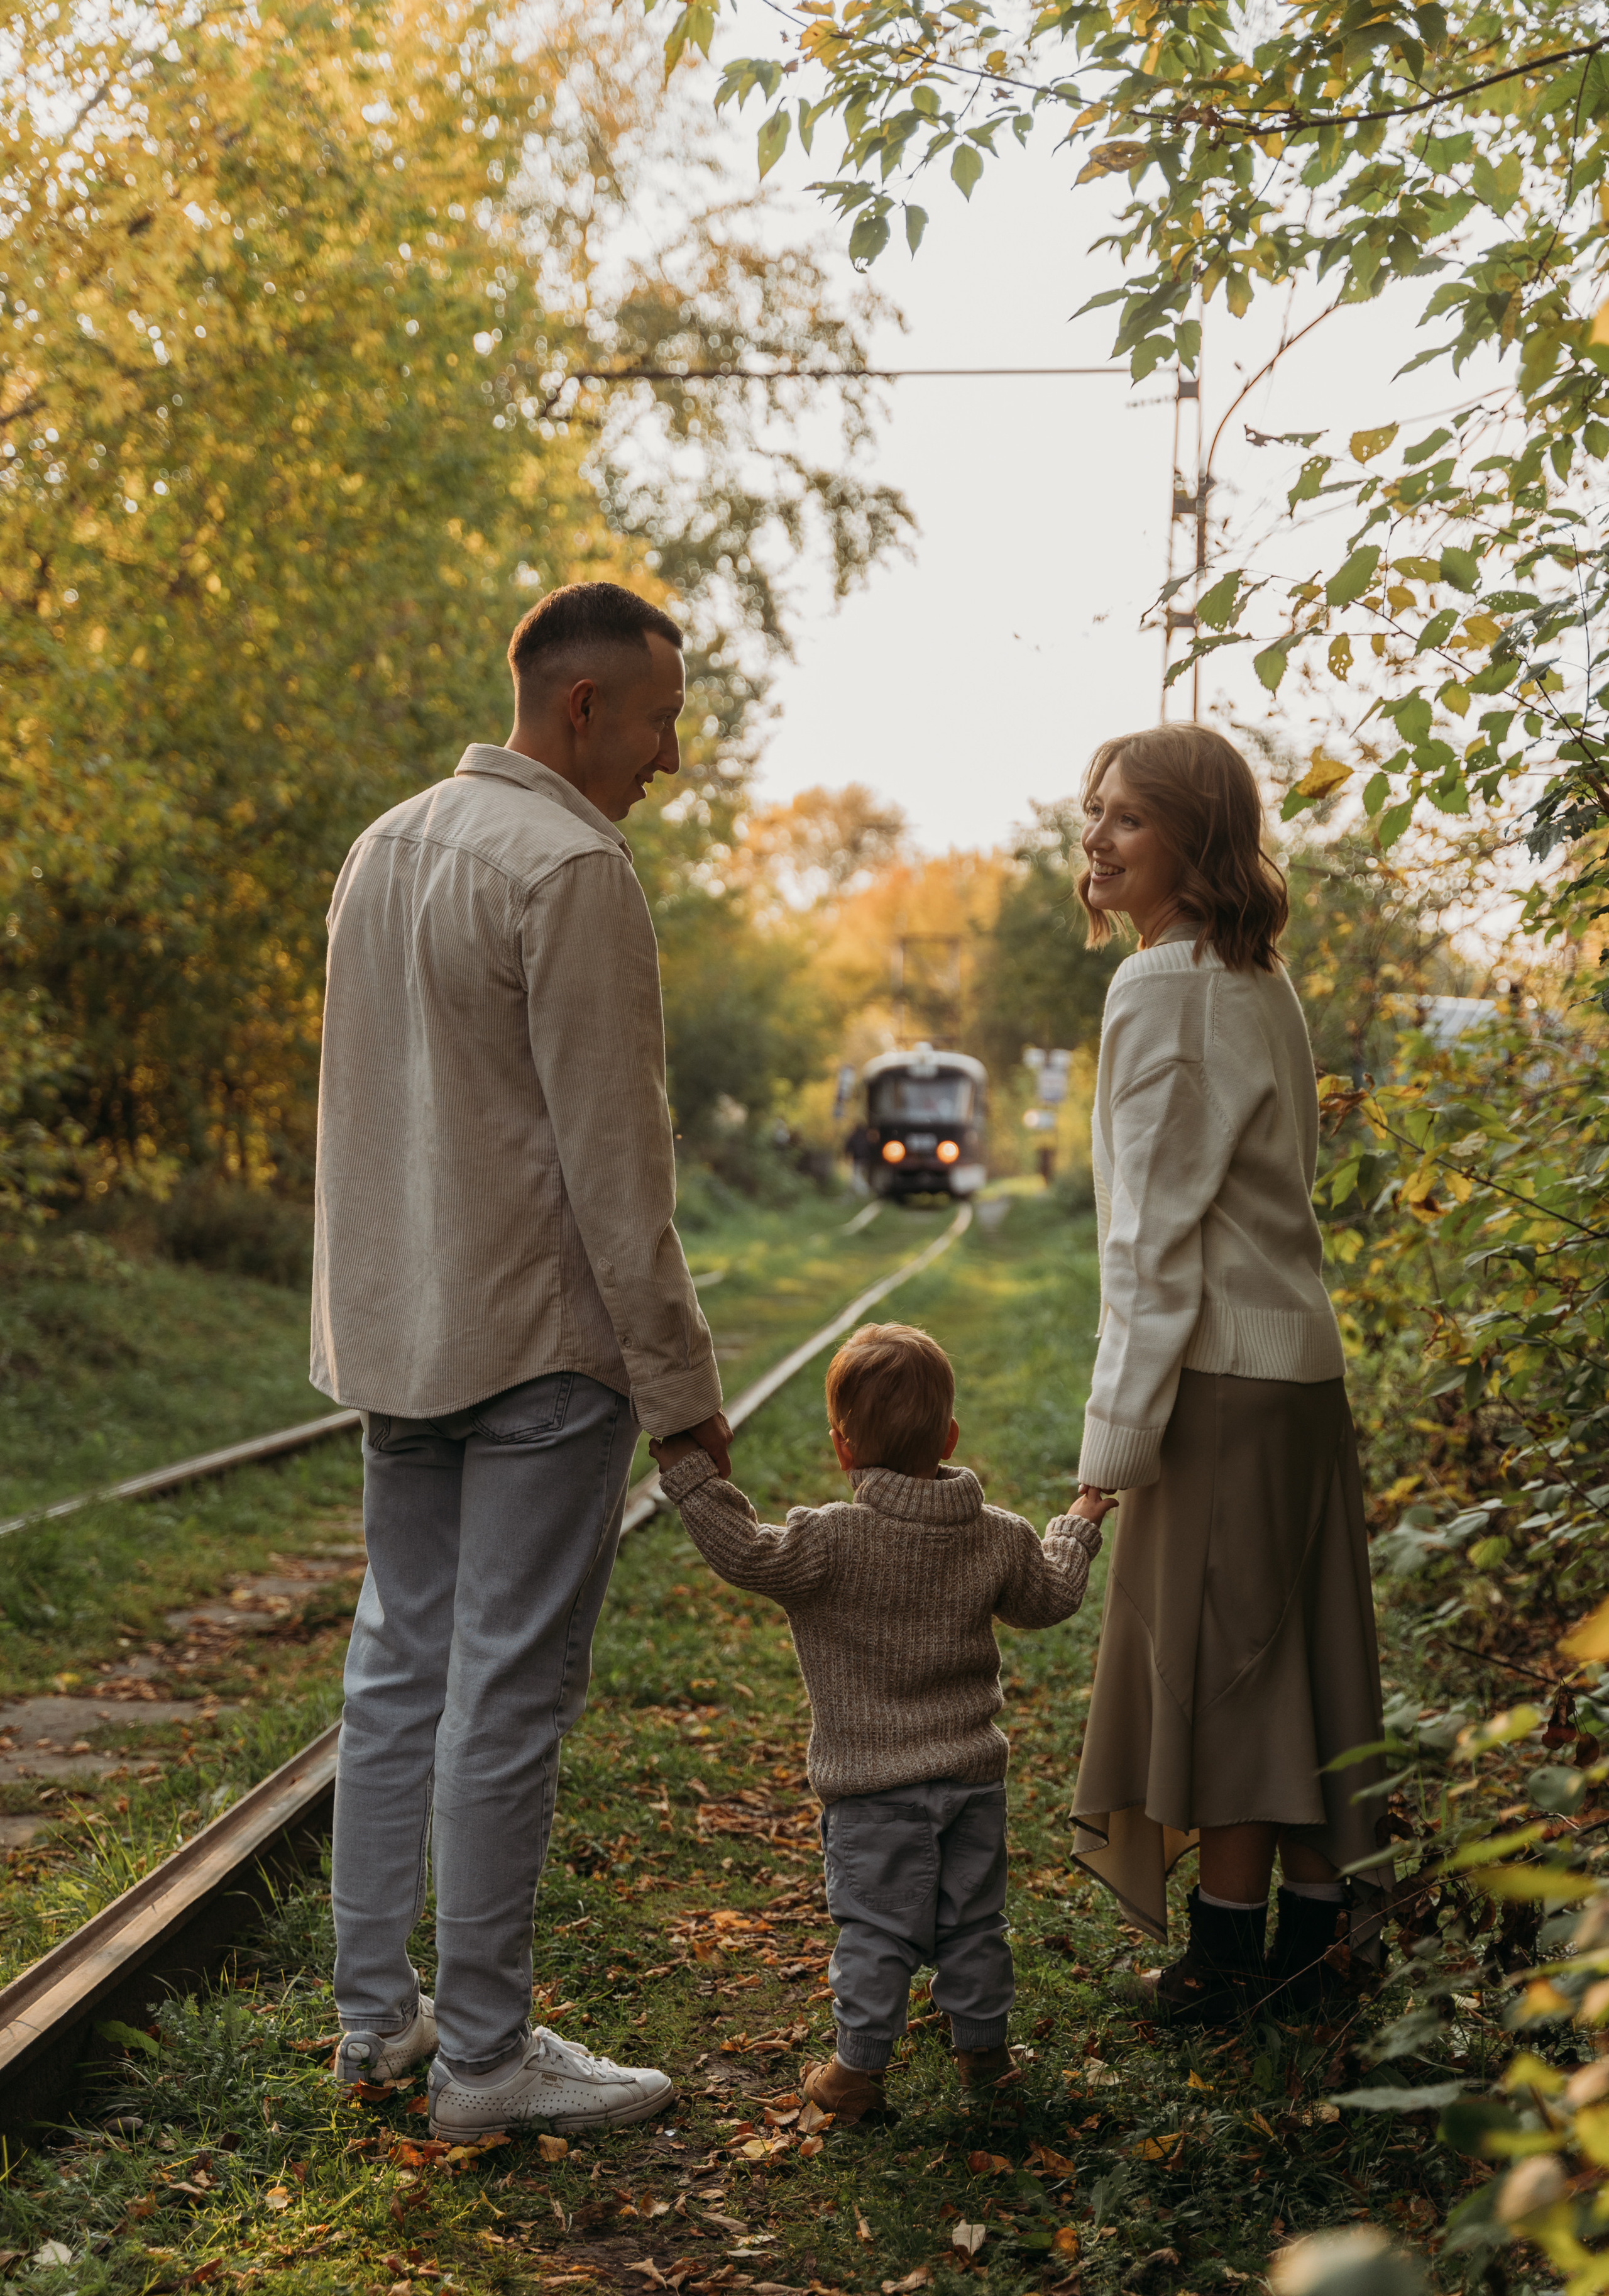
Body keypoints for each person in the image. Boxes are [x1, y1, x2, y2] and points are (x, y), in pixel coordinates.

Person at [311, 580, 732, 2142]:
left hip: (402, 1331)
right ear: (582, 707)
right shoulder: (571, 867)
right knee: (503, 1694)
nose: (668, 756)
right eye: (659, 721)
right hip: (543, 1344)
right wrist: (681, 1394)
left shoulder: (383, 847)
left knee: (395, 1668)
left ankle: (376, 2027)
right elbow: (619, 1167)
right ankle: (485, 2059)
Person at [1068, 722, 1390, 2026]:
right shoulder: (1258, 980)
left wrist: (1109, 1448)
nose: (1095, 837)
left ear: (1194, 843)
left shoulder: (1164, 989)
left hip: (1219, 1382)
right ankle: (1316, 1944)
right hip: (1296, 1374)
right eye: (1093, 810)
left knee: (1225, 1674)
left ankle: (1222, 1962)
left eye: (1127, 817)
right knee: (1295, 1654)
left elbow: (1152, 1242)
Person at [650, 1322, 1112, 2121]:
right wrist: (1078, 1520)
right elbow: (1052, 1597)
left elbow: (743, 1551)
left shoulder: (830, 1540)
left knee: (875, 1931)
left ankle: (856, 2074)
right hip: (971, 1785)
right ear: (950, 1437)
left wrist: (689, 1474)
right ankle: (986, 2059)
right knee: (974, 1924)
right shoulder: (998, 1536)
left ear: (842, 1447)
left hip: (872, 1794)